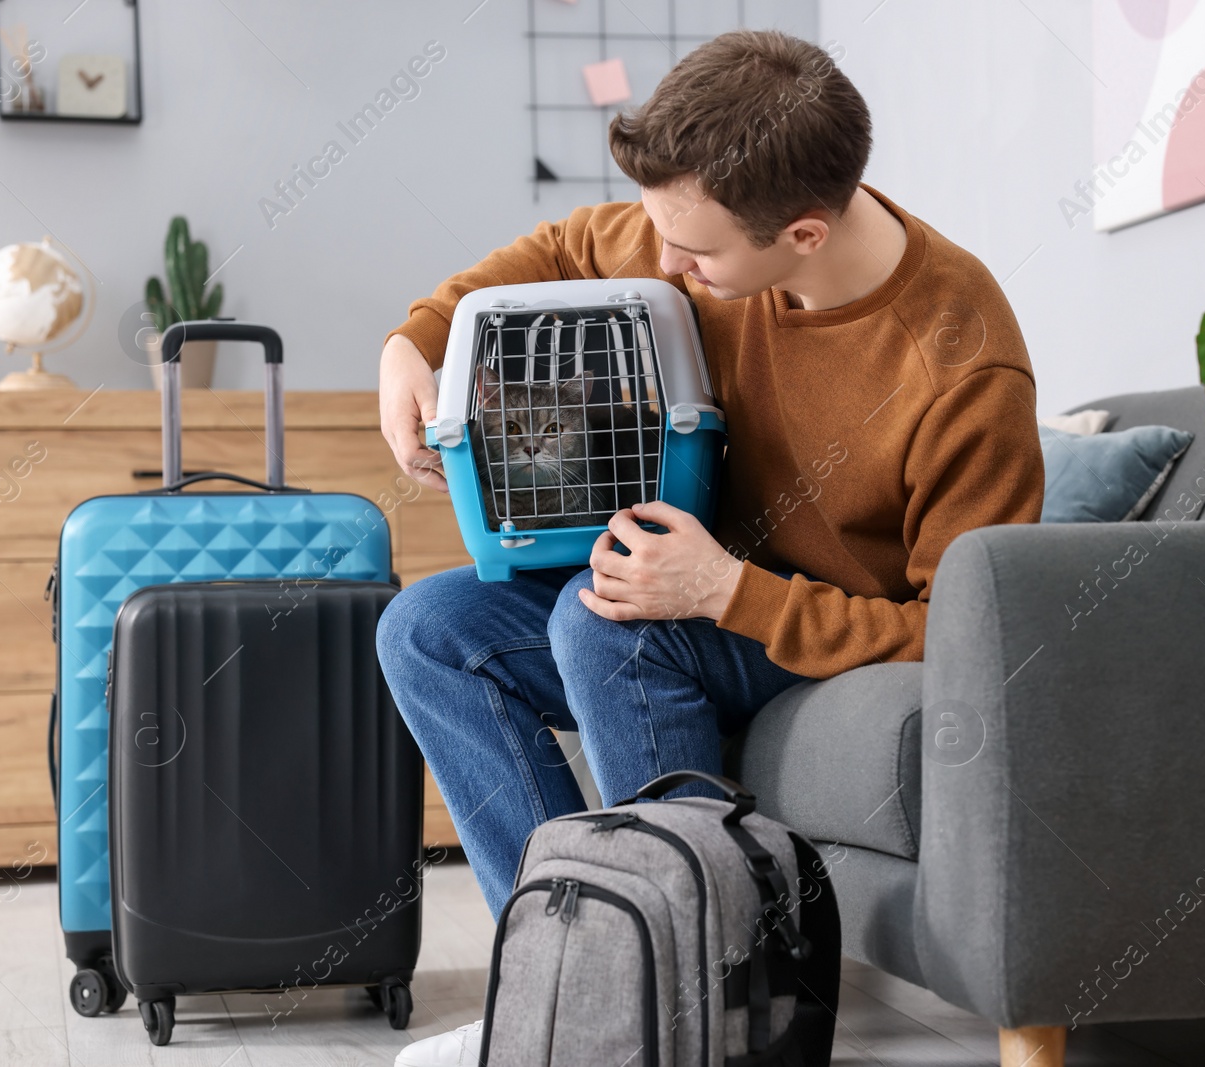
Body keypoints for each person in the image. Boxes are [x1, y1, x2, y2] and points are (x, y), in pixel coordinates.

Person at [375, 27, 1044, 1066]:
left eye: (696, 254)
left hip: (810, 630)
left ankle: (686, 1011)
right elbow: (554, 252)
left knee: (602, 619)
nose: (668, 266)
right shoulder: (696, 227)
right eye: (660, 233)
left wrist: (731, 591)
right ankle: (559, 984)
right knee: (425, 627)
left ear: (807, 235)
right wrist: (411, 343)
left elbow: (963, 634)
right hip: (703, 587)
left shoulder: (960, 361)